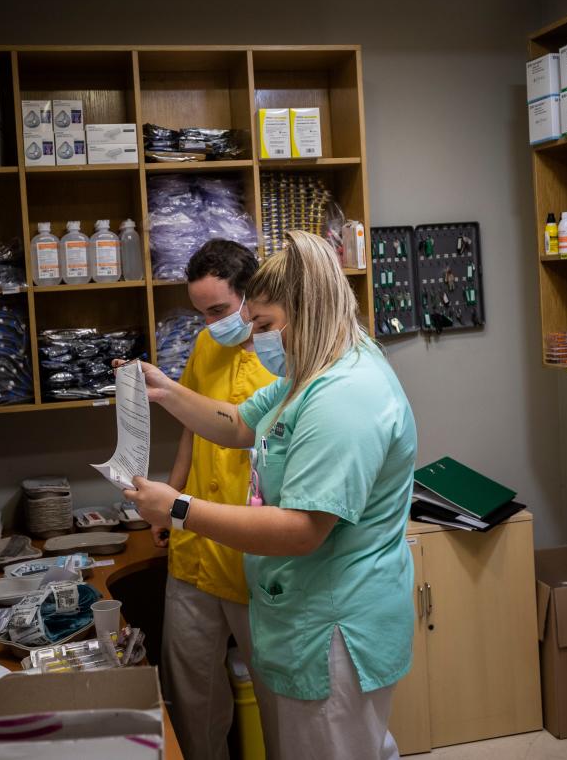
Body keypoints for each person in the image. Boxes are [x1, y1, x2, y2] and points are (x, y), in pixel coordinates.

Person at [122, 230, 417, 760]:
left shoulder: (345, 396)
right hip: (305, 609)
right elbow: (238, 422)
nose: (255, 337)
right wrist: (165, 390)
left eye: (264, 324)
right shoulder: (312, 371)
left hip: (335, 622)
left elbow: (303, 529)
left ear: (307, 311)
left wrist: (179, 508)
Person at [159, 239, 281, 760]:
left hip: (251, 553)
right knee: (192, 700)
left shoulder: (281, 357)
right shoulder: (207, 345)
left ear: (249, 297)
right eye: (200, 313)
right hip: (192, 546)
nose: (210, 323)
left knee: (279, 704)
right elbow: (191, 424)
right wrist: (171, 493)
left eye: (218, 310)